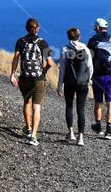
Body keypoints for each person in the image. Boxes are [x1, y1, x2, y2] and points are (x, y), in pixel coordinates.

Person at [10, 17, 56, 146]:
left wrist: (12, 75)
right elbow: (50, 63)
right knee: (37, 106)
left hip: (25, 78)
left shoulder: (20, 41)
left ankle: (28, 129)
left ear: (26, 28)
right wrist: (43, 71)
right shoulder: (43, 43)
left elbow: (15, 58)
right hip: (39, 79)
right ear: (38, 28)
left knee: (27, 102)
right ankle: (33, 136)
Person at [56, 27, 93, 146]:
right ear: (79, 36)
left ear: (68, 37)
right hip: (83, 83)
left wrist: (59, 86)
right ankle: (80, 137)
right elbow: (90, 67)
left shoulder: (65, 50)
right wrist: (89, 79)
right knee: (81, 109)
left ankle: (71, 132)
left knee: (69, 106)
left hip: (69, 82)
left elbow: (62, 69)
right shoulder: (86, 49)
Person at [88, 17, 111, 140]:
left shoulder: (93, 41)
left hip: (97, 77)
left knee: (98, 101)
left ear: (97, 28)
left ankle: (98, 127)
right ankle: (109, 131)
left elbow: (89, 59)